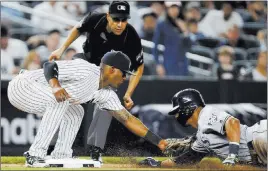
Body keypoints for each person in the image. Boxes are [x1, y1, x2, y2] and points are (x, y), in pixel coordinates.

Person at [7, 51, 167, 167]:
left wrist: (157, 141)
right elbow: (50, 65)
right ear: (112, 69)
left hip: (40, 93)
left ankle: (61, 154)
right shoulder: (87, 71)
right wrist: (55, 86)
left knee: (77, 112)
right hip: (22, 86)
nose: (125, 78)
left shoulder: (106, 93)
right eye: (124, 73)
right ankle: (35, 154)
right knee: (62, 102)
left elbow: (128, 119)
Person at [48, 1, 145, 162]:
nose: (120, 24)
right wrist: (61, 49)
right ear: (108, 16)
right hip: (85, 62)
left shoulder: (132, 36)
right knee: (66, 100)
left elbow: (139, 67)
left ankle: (95, 149)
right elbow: (77, 29)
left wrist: (128, 93)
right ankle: (52, 146)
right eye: (116, 19)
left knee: (106, 103)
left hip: (106, 74)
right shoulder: (95, 19)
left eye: (124, 20)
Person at [140, 89, 267, 167]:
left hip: (260, 138)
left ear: (188, 107)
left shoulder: (206, 114)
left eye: (178, 111)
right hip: (259, 152)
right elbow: (187, 159)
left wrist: (232, 155)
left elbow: (233, 122)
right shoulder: (202, 137)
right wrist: (157, 163)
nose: (177, 115)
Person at [152, 1, 191, 77]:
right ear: (167, 9)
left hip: (183, 63)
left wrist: (185, 32)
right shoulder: (162, 24)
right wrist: (158, 64)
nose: (174, 10)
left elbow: (189, 46)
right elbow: (155, 46)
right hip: (169, 62)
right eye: (172, 8)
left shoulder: (183, 23)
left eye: (176, 8)